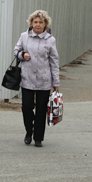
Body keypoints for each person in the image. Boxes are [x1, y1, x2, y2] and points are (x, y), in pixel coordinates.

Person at [14, 10, 59, 148]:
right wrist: (22, 55)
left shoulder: (50, 40)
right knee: (26, 107)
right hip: (27, 79)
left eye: (40, 22)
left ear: (45, 24)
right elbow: (16, 51)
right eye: (35, 22)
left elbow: (54, 61)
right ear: (31, 23)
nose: (38, 25)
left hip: (44, 80)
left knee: (41, 110)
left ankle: (38, 137)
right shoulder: (24, 36)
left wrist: (56, 82)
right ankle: (29, 131)